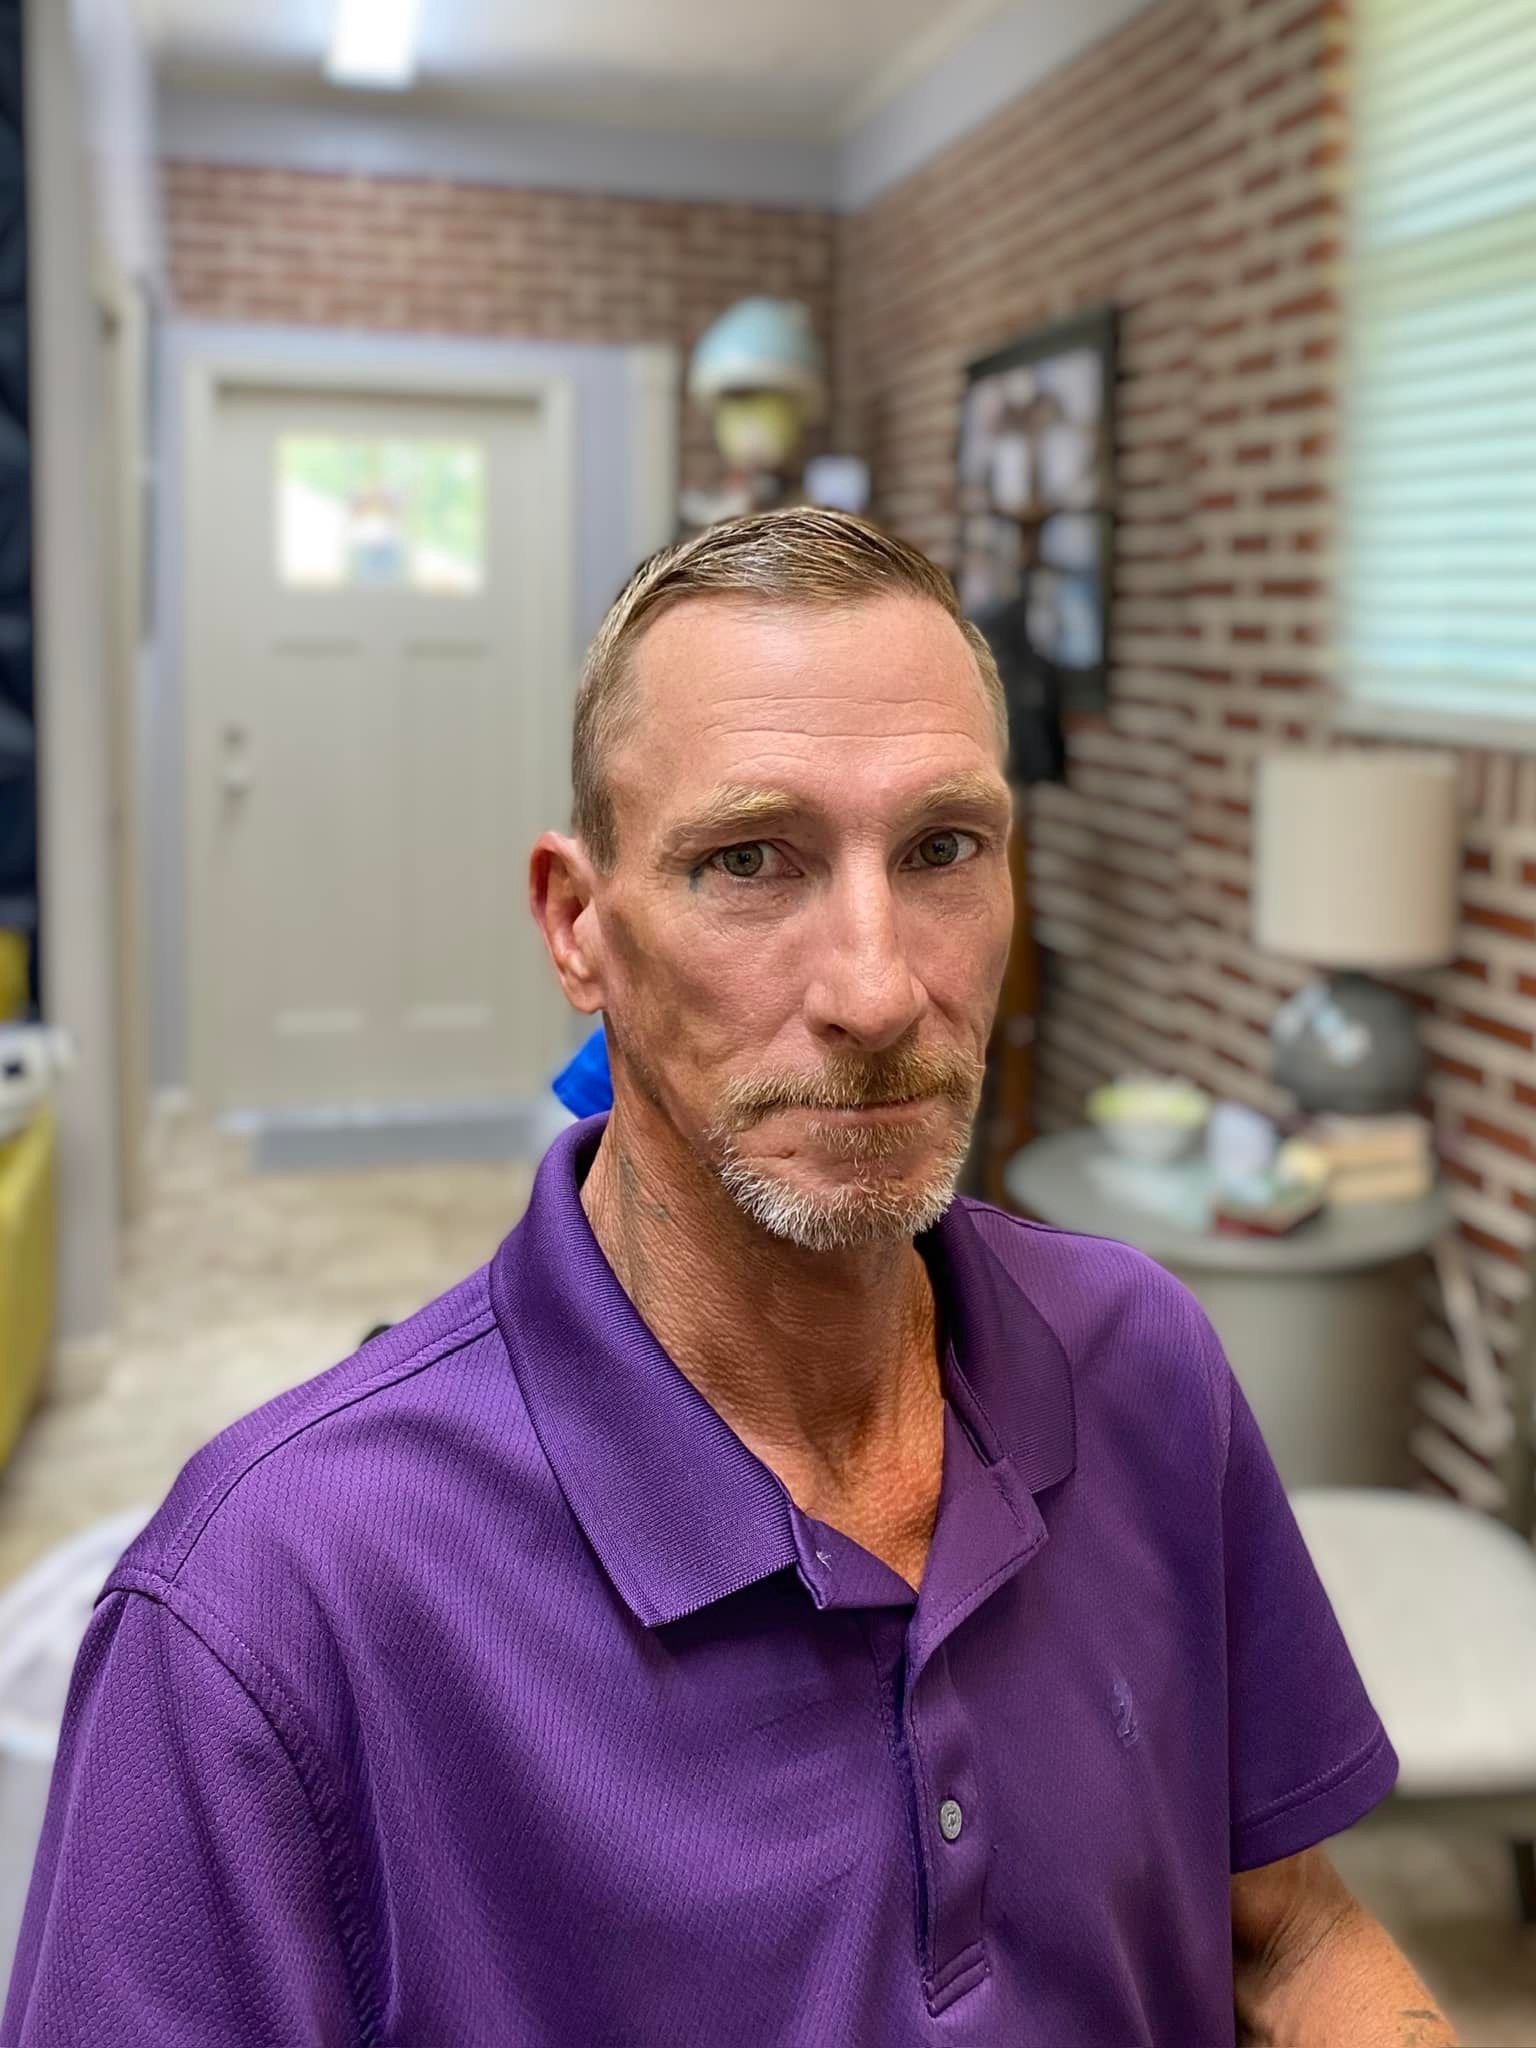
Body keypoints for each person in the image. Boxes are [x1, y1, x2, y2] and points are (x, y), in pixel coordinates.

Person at [3, 510, 1455, 2046]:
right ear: (580, 925)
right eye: (749, 861)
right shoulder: (265, 1613)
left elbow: (1289, 1937)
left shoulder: (1141, 1361)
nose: (879, 988)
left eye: (943, 849)